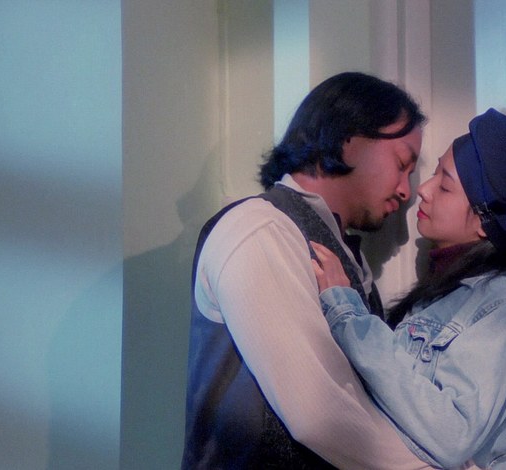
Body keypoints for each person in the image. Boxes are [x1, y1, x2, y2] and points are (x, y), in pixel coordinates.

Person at [182, 72, 433, 469]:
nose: (406, 190)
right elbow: (317, 412)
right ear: (349, 140)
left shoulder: (346, 257)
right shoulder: (258, 228)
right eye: (402, 164)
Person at [311, 108, 506, 469]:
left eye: (444, 185)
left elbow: (451, 436)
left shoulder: (496, 303)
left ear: (485, 221)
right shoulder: (443, 296)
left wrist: (347, 315)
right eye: (434, 174)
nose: (422, 191)